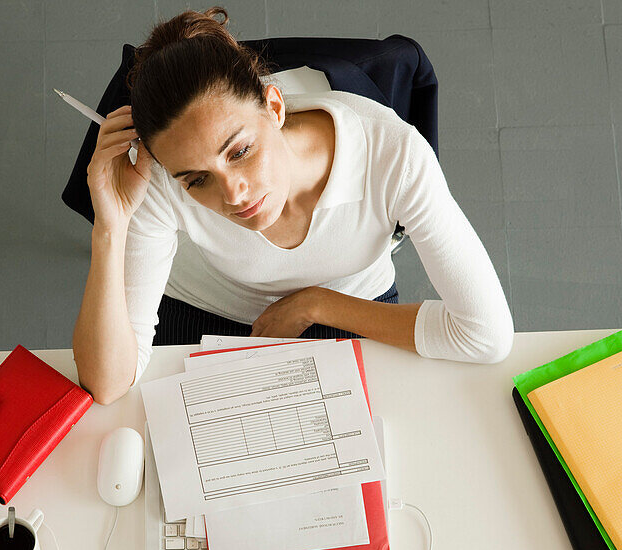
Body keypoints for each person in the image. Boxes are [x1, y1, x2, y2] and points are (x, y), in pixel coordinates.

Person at [73, 7, 513, 404]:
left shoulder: (393, 153)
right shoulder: (159, 176)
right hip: (207, 309)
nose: (235, 195)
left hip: (351, 304)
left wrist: (316, 304)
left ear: (274, 106)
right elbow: (108, 384)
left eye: (240, 151)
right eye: (198, 180)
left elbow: (485, 335)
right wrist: (110, 226)